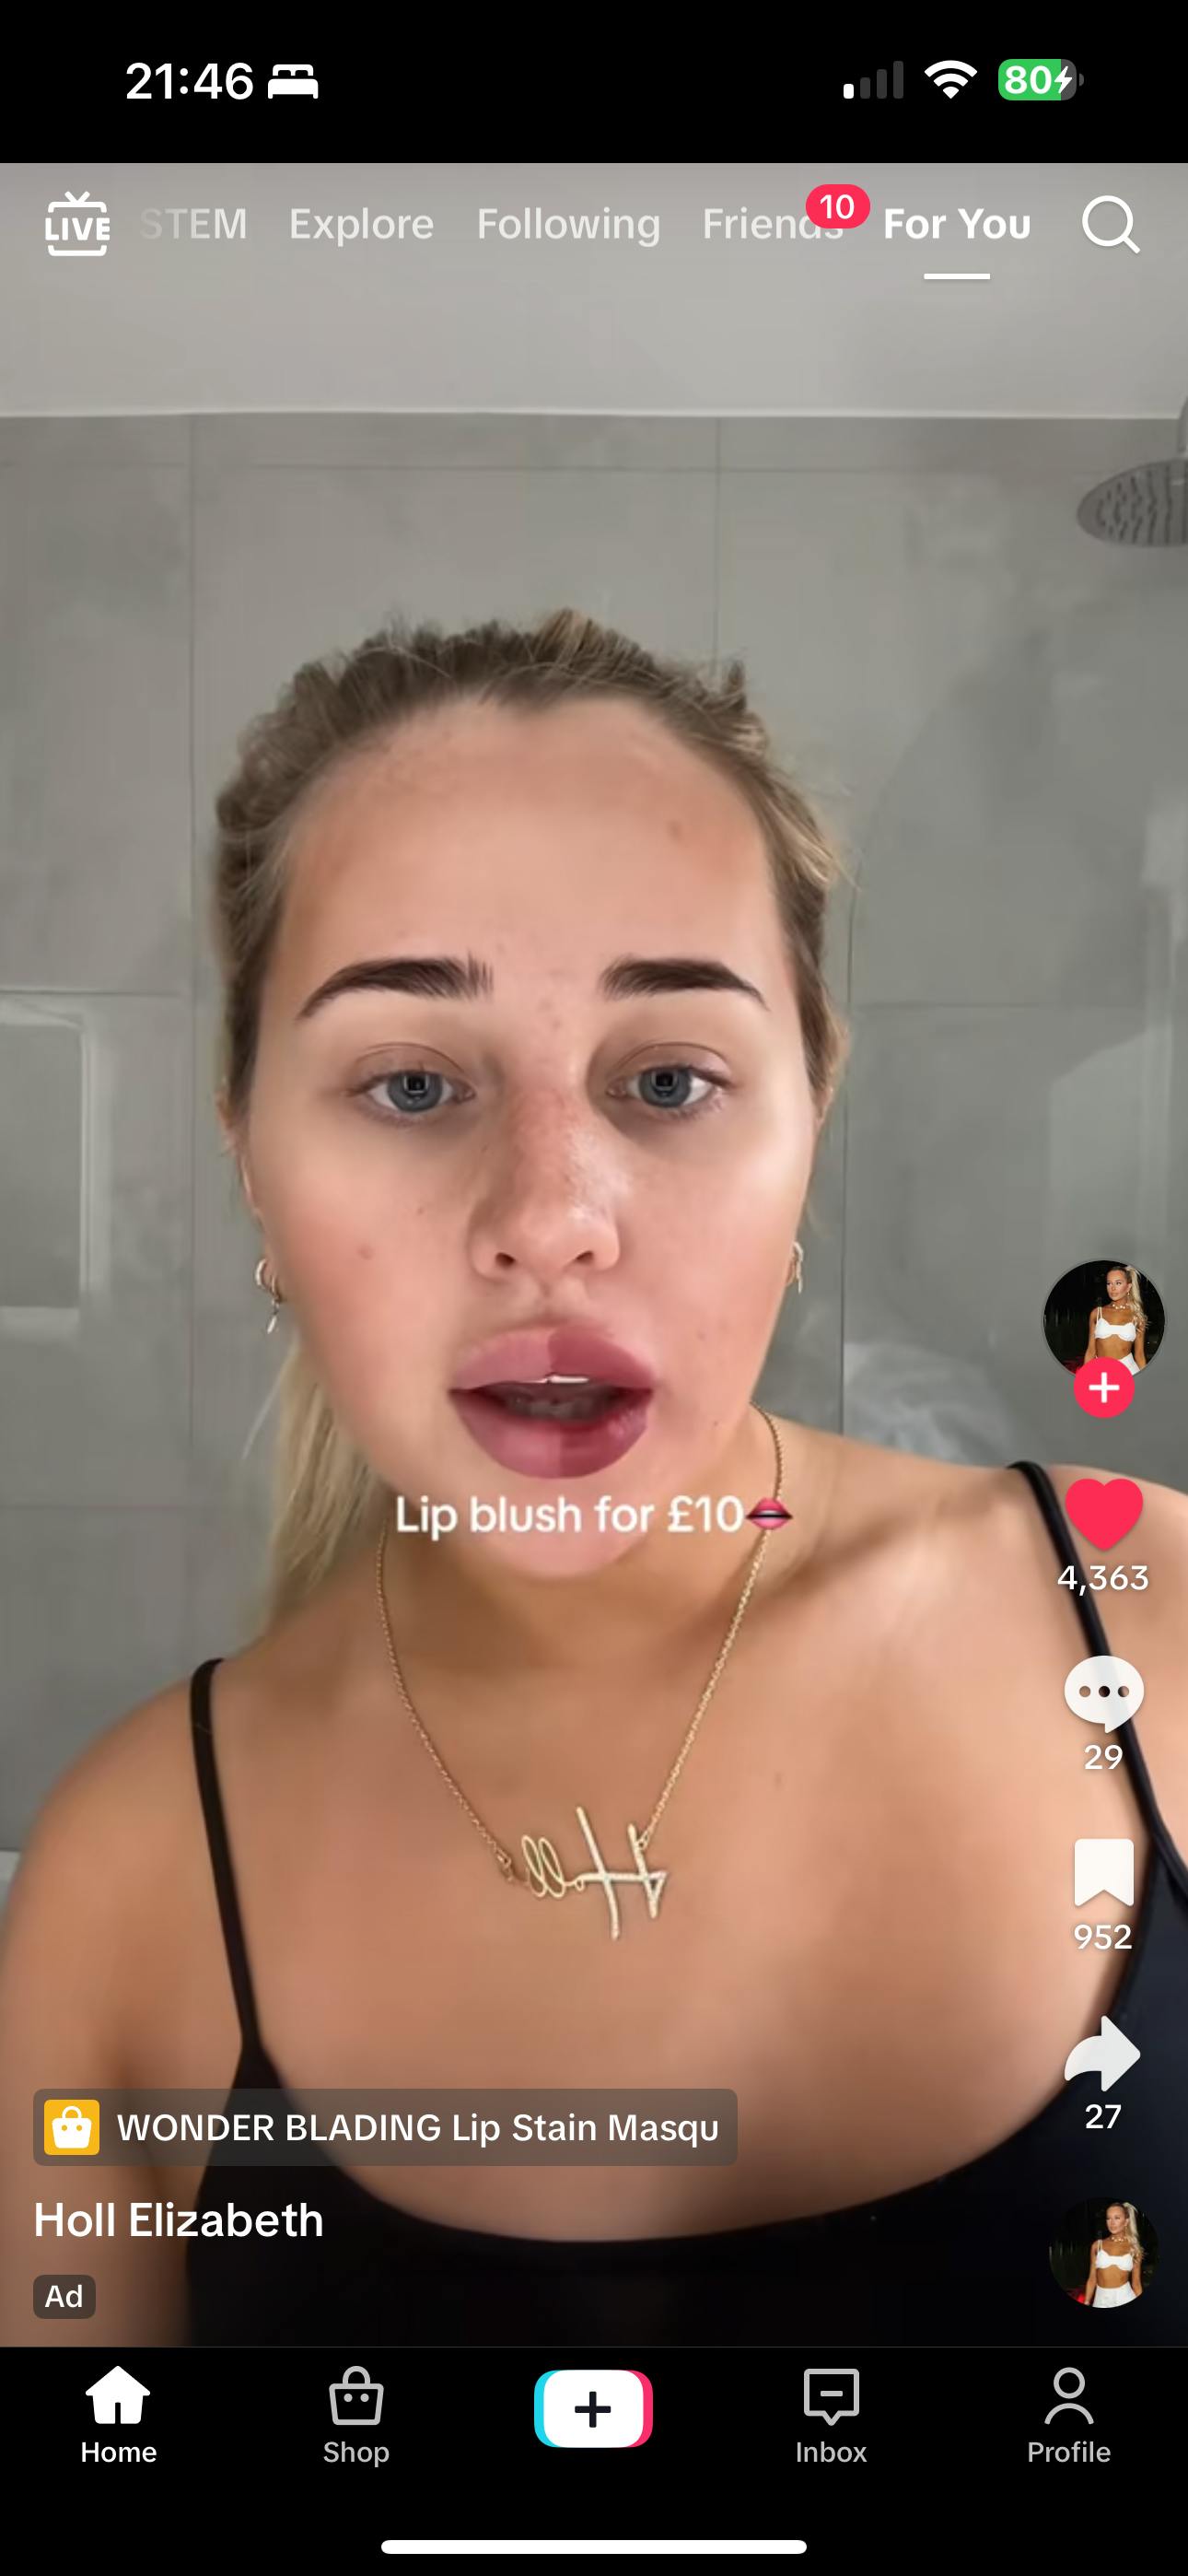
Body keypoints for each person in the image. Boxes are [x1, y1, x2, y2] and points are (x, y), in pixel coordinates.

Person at [2, 609, 1187, 2352]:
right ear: (248, 1143)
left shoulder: (1155, 1627)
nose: (550, 1218)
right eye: (413, 1083)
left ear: (810, 1111)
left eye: (670, 1079)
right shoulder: (128, 1877)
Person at [1084, 1265, 1148, 1375]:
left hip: (1129, 1371)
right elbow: (1090, 1351)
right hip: (1101, 1372)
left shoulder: (1137, 1316)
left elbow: (1139, 1355)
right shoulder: (1096, 1313)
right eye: (1109, 1283)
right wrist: (1085, 1377)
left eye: (1118, 1283)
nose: (1113, 1288)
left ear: (1128, 1287)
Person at [1084, 2201, 1145, 2307]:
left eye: (1117, 2218)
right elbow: (1092, 2279)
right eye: (1108, 2218)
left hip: (1125, 2297)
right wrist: (1087, 2301)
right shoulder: (1097, 2246)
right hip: (1101, 2300)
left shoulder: (1134, 2248)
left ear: (1126, 2222)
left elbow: (1136, 2283)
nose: (1112, 2223)